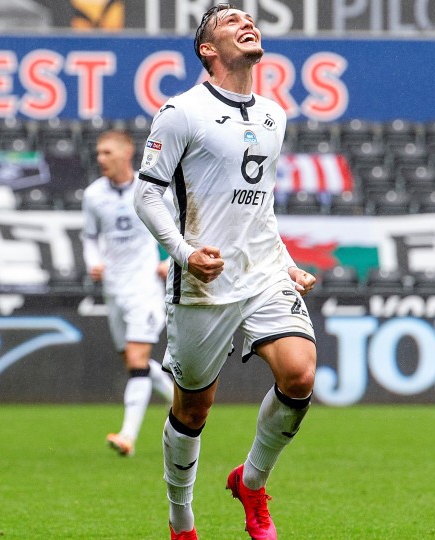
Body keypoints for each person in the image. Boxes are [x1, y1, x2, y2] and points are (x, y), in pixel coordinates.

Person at [133, 4, 318, 539]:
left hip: (261, 272)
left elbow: (259, 206)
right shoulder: (181, 111)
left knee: (300, 373)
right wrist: (185, 252)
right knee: (193, 408)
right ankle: (180, 517)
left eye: (248, 16)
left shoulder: (273, 114)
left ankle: (252, 482)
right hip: (202, 280)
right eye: (228, 21)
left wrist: (283, 260)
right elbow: (147, 196)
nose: (246, 21)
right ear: (208, 49)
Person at [82, 129, 175, 457]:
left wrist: (169, 261)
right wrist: (93, 262)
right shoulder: (93, 195)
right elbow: (90, 236)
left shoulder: (149, 189)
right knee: (133, 362)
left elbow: (176, 226)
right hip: (114, 289)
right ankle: (179, 399)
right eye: (98, 153)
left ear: (126, 153)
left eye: (107, 152)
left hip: (144, 289)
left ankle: (127, 436)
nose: (100, 158)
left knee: (136, 360)